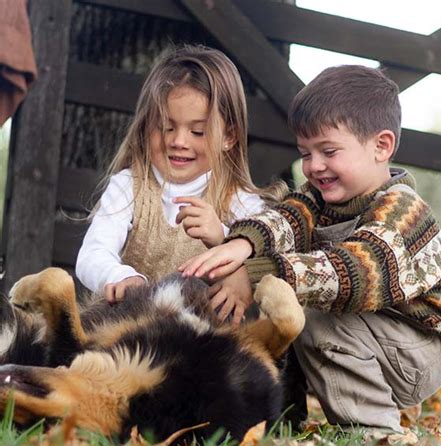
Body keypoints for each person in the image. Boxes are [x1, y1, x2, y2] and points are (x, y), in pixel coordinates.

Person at [180, 65, 441, 433]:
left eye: (329, 151)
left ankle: (373, 432)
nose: (314, 166)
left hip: (425, 346)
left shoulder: (403, 211)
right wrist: (241, 246)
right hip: (380, 331)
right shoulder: (319, 198)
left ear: (381, 146)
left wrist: (254, 274)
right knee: (290, 304)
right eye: (305, 153)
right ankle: (280, 416)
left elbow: (351, 272)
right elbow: (286, 220)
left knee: (312, 310)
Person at [76, 44, 285, 303]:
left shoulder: (240, 201)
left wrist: (223, 237)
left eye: (197, 132)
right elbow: (93, 253)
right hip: (128, 328)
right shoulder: (128, 186)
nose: (179, 141)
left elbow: (271, 262)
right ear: (146, 125)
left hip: (198, 336)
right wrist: (118, 276)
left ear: (228, 137)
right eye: (166, 127)